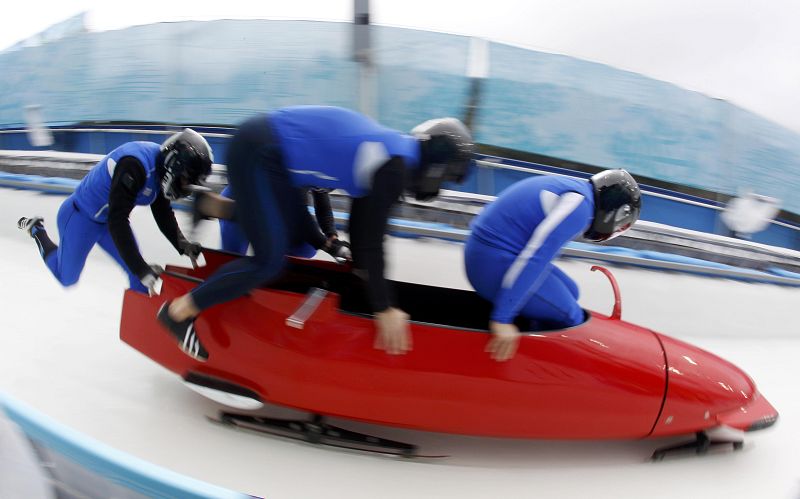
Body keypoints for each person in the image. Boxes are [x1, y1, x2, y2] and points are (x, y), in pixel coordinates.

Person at [157, 105, 474, 362]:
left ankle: (214, 207)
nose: (440, 186)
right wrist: (383, 307)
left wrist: (359, 273)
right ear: (437, 168)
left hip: (274, 158)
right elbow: (373, 241)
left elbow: (363, 233)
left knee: (293, 238)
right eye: (446, 179)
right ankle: (180, 313)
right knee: (269, 261)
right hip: (263, 152)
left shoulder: (394, 155)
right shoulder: (395, 166)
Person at [464, 170, 641, 362]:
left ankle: (527, 340)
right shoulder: (580, 208)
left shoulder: (579, 193)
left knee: (572, 292)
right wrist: (502, 318)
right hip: (489, 261)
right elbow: (536, 256)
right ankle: (529, 362)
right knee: (570, 316)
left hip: (487, 252)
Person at [17, 129, 213, 294]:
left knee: (139, 276)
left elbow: (162, 211)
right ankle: (37, 230)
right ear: (174, 164)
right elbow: (118, 219)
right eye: (187, 180)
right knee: (67, 278)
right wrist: (140, 267)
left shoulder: (161, 169)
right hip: (80, 217)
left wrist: (182, 245)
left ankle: (144, 329)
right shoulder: (134, 166)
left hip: (107, 221)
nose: (186, 187)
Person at [219, 185, 351, 260]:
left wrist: (332, 236)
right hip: (240, 202)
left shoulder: (318, 167)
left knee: (306, 250)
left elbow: (322, 204)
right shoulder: (298, 161)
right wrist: (331, 247)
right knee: (232, 260)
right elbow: (299, 218)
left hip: (277, 205)